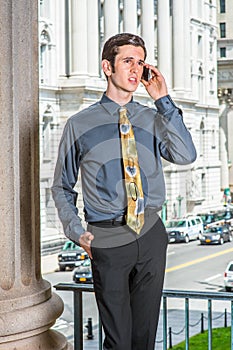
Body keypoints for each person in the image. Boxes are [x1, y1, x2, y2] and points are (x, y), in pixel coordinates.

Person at [52, 33, 196, 350]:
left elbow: (186, 155)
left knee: (143, 337)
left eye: (140, 62)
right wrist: (77, 232)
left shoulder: (155, 118)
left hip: (151, 232)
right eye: (127, 61)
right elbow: (62, 185)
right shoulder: (79, 123)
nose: (135, 69)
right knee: (118, 341)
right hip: (106, 236)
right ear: (107, 66)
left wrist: (164, 100)